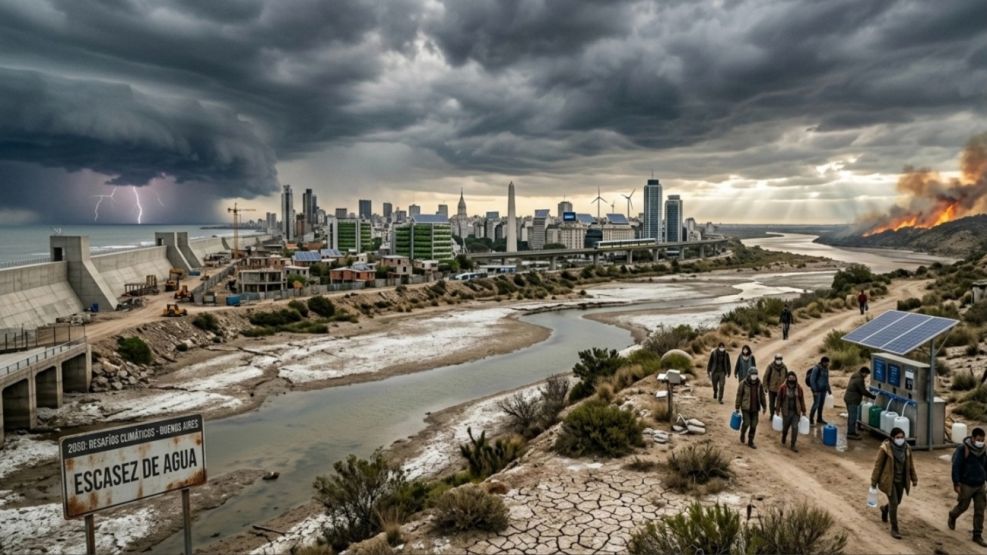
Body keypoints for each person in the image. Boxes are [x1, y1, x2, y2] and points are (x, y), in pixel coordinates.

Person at [870, 428, 918, 539]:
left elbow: (910, 465)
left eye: (902, 437)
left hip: (901, 481)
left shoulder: (907, 449)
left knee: (897, 502)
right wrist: (873, 481)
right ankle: (894, 528)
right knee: (895, 503)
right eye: (898, 437)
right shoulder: (885, 449)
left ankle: (885, 509)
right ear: (892, 438)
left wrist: (914, 479)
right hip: (889, 481)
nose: (900, 439)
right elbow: (878, 466)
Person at [949, 427, 987, 547]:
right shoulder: (963, 449)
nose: (981, 442)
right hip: (966, 484)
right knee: (962, 506)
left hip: (980, 485)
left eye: (983, 440)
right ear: (973, 438)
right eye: (979, 440)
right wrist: (956, 483)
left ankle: (977, 535)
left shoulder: (984, 450)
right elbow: (956, 466)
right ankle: (952, 515)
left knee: (980, 510)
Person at [735, 368, 767, 449]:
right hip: (746, 407)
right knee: (746, 423)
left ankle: (750, 441)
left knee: (754, 425)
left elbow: (762, 395)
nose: (754, 376)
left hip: (755, 408)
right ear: (749, 374)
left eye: (756, 374)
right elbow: (739, 396)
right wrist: (737, 407)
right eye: (753, 374)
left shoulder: (759, 384)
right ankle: (742, 433)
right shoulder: (743, 383)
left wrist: (764, 406)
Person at [776, 371, 806, 452]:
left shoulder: (799, 388)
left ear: (796, 379)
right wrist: (777, 410)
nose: (792, 379)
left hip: (796, 412)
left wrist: (804, 411)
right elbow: (778, 399)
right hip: (786, 412)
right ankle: (784, 436)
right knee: (785, 428)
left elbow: (802, 400)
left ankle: (793, 445)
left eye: (793, 378)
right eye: (790, 378)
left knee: (795, 427)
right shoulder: (783, 388)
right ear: (787, 378)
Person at [845, 366, 877, 439]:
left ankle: (851, 431)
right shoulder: (859, 379)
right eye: (866, 374)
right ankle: (850, 433)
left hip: (848, 398)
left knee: (851, 416)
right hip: (852, 400)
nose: (866, 376)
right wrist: (873, 396)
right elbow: (863, 391)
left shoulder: (855, 375)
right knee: (853, 417)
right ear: (864, 373)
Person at [809, 356, 832, 426]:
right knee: (816, 405)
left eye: (828, 363)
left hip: (823, 390)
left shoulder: (826, 369)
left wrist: (829, 389)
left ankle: (819, 419)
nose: (828, 364)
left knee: (821, 405)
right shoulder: (816, 368)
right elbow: (812, 380)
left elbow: (826, 380)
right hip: (817, 390)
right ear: (823, 362)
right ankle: (811, 420)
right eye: (827, 363)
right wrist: (814, 390)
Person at [764, 354, 788, 419]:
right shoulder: (770, 367)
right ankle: (772, 415)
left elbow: (787, 377)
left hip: (780, 389)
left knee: (780, 403)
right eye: (777, 359)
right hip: (771, 388)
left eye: (780, 359)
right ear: (775, 359)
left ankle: (777, 414)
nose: (779, 360)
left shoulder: (784, 367)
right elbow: (766, 377)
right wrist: (765, 387)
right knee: (771, 403)